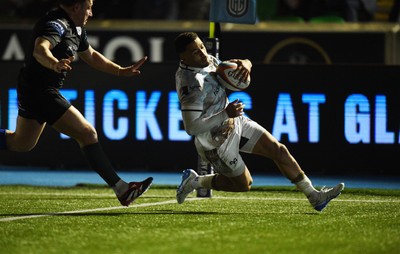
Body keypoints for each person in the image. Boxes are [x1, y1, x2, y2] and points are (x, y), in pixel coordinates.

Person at [0, 0, 153, 207]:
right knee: (87, 134)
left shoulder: (76, 28)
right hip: (40, 91)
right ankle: (122, 189)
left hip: (34, 90)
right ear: (75, 7)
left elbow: (90, 55)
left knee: (21, 143)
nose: (91, 12)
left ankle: (122, 189)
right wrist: (54, 63)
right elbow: (40, 49)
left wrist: (120, 71)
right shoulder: (57, 23)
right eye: (88, 6)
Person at [174, 32, 344, 212]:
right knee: (243, 184)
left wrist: (246, 64)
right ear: (183, 57)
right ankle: (194, 181)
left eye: (202, 46)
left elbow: (240, 64)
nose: (202, 53)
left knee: (278, 149)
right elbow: (192, 128)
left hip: (234, 121)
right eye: (195, 52)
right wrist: (225, 114)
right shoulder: (191, 84)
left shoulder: (206, 60)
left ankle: (314, 196)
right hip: (215, 141)